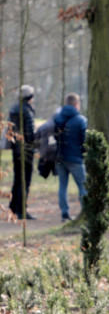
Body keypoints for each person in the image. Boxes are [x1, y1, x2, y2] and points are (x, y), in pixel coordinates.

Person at [53, 93, 87, 222]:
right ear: (76, 104)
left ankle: (64, 213)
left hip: (60, 158)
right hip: (75, 158)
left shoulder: (57, 118)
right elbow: (84, 140)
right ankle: (86, 211)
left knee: (62, 186)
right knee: (83, 185)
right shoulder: (80, 120)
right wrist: (84, 152)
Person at [8, 85, 37, 220]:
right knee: (25, 180)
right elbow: (30, 134)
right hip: (26, 150)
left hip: (16, 149)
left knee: (17, 179)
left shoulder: (13, 109)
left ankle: (13, 208)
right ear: (29, 97)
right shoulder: (27, 111)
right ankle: (21, 210)